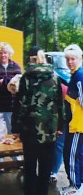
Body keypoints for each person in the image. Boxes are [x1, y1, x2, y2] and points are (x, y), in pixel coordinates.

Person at [11, 46, 64, 195]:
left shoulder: (26, 78)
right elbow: (60, 104)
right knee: (46, 166)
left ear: (31, 59)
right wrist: (60, 125)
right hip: (49, 130)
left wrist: (16, 127)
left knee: (30, 166)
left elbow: (20, 105)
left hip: (30, 131)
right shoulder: (54, 77)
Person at [61, 44, 83, 195]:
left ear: (79, 59)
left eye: (73, 59)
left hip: (77, 125)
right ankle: (78, 185)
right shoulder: (74, 74)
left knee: (71, 156)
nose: (70, 62)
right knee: (77, 155)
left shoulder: (80, 76)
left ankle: (75, 187)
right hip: (73, 124)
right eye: (67, 59)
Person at [0, 42, 22, 134]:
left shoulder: (16, 67)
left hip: (12, 106)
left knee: (13, 134)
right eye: (0, 53)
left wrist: (3, 80)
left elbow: (19, 85)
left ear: (9, 53)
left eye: (5, 52)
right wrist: (11, 82)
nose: (3, 55)